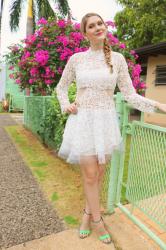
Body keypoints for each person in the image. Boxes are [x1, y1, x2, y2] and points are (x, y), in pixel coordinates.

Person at [56, 12, 166, 244]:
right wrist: (66, 105)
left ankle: (87, 214)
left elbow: (129, 94)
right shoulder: (76, 59)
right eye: (92, 26)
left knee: (99, 175)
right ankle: (98, 221)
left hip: (105, 122)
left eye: (100, 23)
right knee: (90, 175)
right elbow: (61, 88)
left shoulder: (117, 59)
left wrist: (158, 105)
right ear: (85, 33)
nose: (98, 27)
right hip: (83, 121)